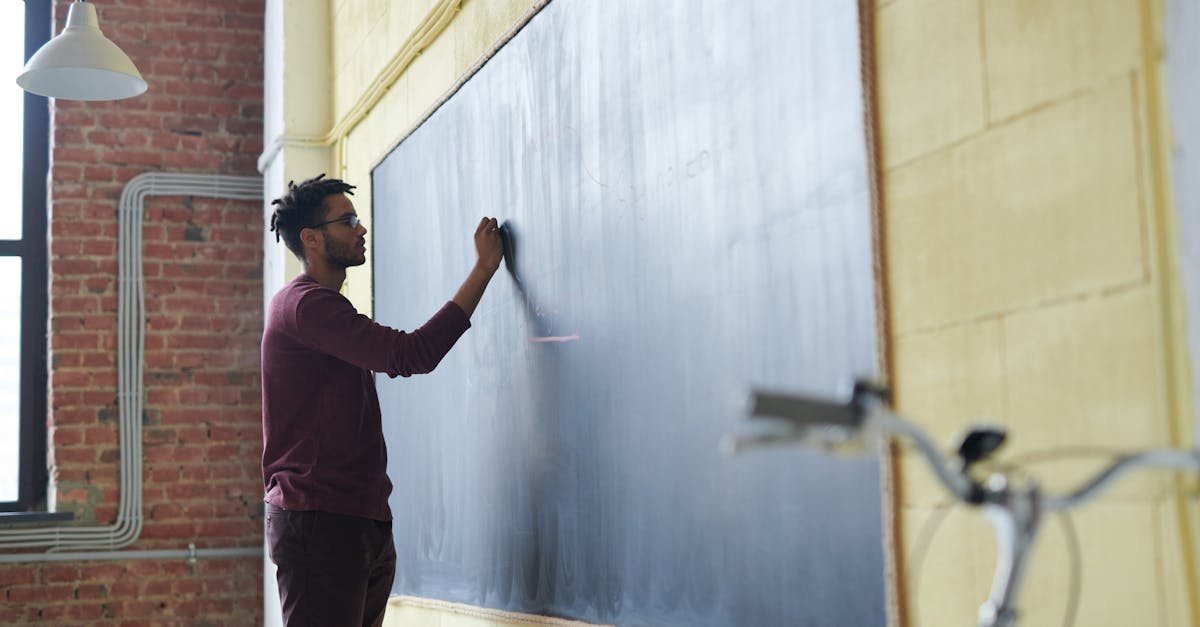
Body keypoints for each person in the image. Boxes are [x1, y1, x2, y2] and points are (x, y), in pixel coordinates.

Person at [260, 174, 503, 626]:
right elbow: (412, 354)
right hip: (321, 518)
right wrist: (483, 269)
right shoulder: (306, 306)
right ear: (311, 239)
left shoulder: (323, 309)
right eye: (347, 221)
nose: (361, 229)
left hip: (354, 517)